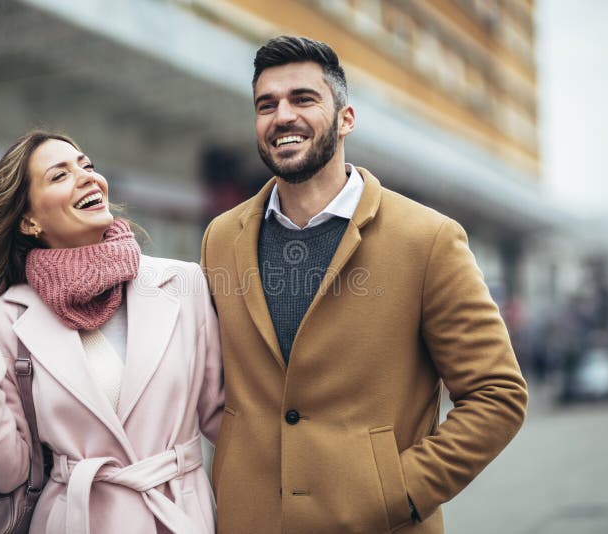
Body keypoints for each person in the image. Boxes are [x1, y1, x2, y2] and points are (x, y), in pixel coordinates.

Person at [201, 35, 528, 533]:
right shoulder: (221, 238)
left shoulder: (428, 238)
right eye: (266, 105)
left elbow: (496, 393)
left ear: (346, 118)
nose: (282, 116)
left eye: (303, 99)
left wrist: (397, 491)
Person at [0, 130, 223, 534]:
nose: (88, 177)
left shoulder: (183, 284)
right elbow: (6, 473)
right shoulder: (1, 319)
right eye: (59, 176)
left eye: (87, 166)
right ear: (28, 220)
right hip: (73, 520)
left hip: (178, 515)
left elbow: (226, 422)